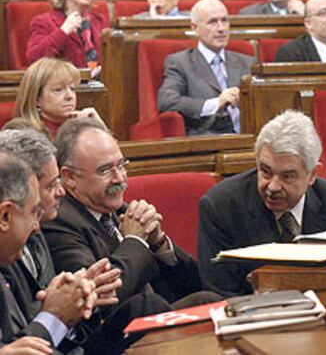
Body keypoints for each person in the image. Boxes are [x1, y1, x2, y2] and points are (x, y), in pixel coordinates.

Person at [43, 118, 221, 328]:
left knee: (208, 300)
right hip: (108, 338)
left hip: (153, 319)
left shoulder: (119, 210)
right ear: (70, 177)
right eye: (105, 170)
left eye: (121, 165)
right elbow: (105, 296)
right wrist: (136, 241)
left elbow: (193, 284)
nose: (119, 178)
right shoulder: (59, 221)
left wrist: (160, 243)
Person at [198, 110, 326, 297]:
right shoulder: (221, 206)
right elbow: (221, 294)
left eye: (287, 176)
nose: (273, 186)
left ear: (313, 174)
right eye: (265, 171)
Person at [0, 151, 96, 351]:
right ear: (5, 216)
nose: (36, 226)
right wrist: (54, 317)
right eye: (34, 212)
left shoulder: (6, 262)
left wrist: (70, 304)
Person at [158, 0, 254, 135]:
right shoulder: (180, 63)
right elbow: (167, 101)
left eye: (224, 21)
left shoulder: (247, 62)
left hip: (250, 138)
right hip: (208, 138)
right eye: (213, 22)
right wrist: (215, 104)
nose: (221, 28)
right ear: (195, 28)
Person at [26, 0, 109, 70]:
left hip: (98, 83)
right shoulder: (44, 22)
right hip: (64, 84)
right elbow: (34, 58)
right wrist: (63, 31)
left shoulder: (99, 21)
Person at [7, 57, 105, 141]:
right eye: (58, 90)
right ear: (37, 99)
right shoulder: (23, 135)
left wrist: (101, 129)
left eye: (72, 89)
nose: (70, 96)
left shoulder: (81, 127)